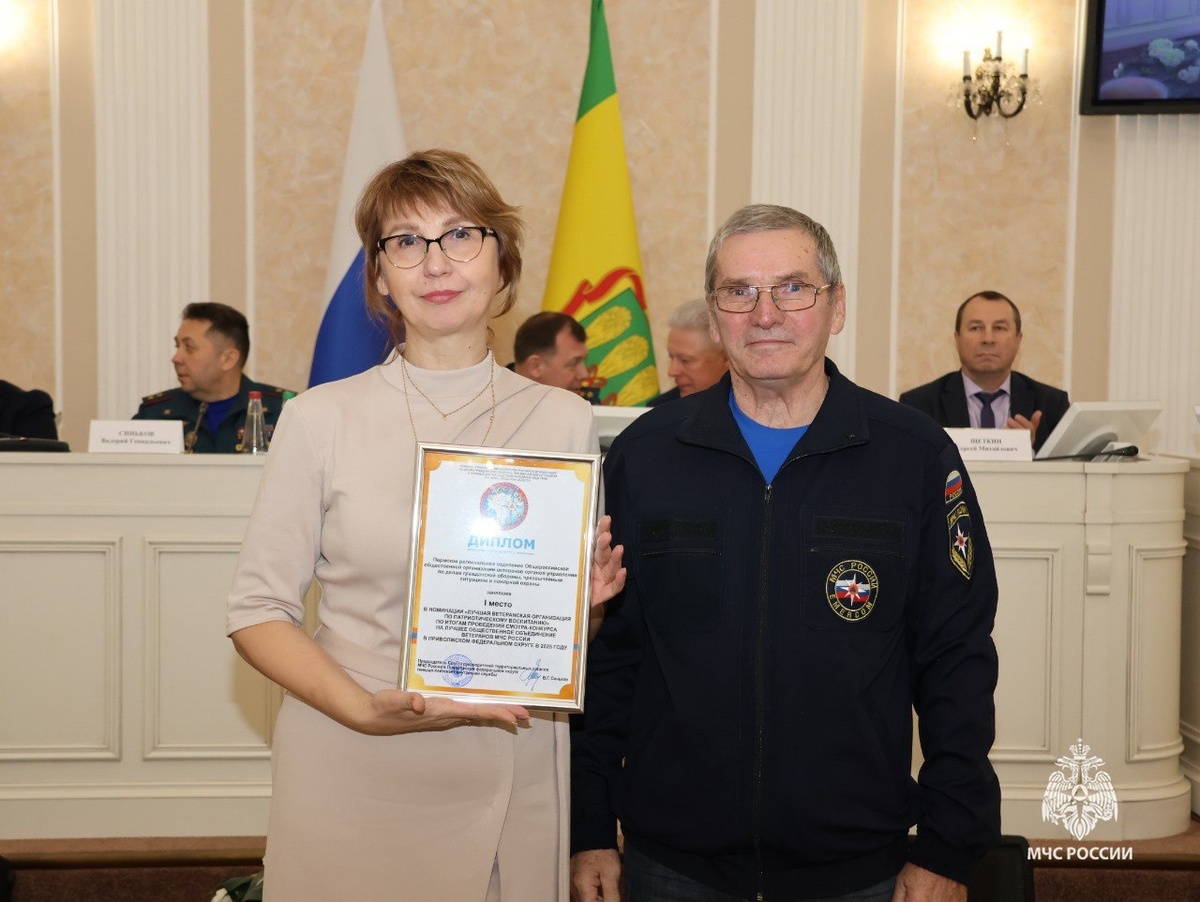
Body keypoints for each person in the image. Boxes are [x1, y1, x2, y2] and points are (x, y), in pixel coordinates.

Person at [226, 149, 625, 902]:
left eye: (461, 235)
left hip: (510, 752)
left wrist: (588, 609)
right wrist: (361, 710)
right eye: (406, 241)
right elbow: (256, 611)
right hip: (352, 751)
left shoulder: (565, 420)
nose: (435, 261)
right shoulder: (320, 418)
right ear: (380, 274)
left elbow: (553, 631)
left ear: (502, 262)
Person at [570, 204, 1000, 902]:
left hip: (857, 867)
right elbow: (609, 656)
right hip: (673, 864)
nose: (764, 313)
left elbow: (957, 660)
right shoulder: (646, 456)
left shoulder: (915, 457)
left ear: (836, 307)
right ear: (715, 316)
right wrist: (587, 825)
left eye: (793, 288)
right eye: (738, 291)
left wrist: (950, 845)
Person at [898, 290, 1070, 452]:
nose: (988, 339)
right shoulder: (919, 406)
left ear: (1018, 339)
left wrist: (1027, 452)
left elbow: (1067, 471)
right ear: (957, 339)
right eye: (976, 328)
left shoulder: (1052, 405)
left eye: (999, 328)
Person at [133, 302, 293, 453]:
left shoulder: (283, 410)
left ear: (228, 359)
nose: (176, 358)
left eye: (189, 347)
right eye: (177, 346)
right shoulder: (155, 413)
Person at [648, 298, 728, 405]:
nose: (672, 372)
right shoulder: (659, 410)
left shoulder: (748, 409)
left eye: (685, 360)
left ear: (726, 358)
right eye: (671, 357)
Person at [511, 311, 592, 397]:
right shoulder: (501, 400)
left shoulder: (585, 401)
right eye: (573, 364)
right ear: (535, 366)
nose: (585, 374)